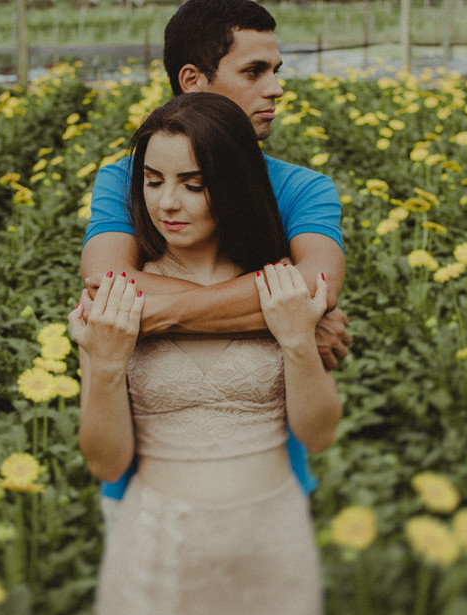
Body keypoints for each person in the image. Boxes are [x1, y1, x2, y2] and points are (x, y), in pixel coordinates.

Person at [69, 91, 340, 615]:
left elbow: (320, 432)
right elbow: (105, 460)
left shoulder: (279, 287)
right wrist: (101, 365)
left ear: (233, 184)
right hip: (160, 551)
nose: (170, 202)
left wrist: (297, 342)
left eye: (194, 182)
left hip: (271, 551)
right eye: (154, 181)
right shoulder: (119, 298)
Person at [80, 0, 351, 524]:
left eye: (276, 71)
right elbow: (105, 284)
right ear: (193, 81)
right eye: (254, 71)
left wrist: (149, 317)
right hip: (146, 489)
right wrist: (283, 312)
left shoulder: (304, 187)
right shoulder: (124, 179)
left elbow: (317, 285)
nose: (275, 88)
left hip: (268, 483)